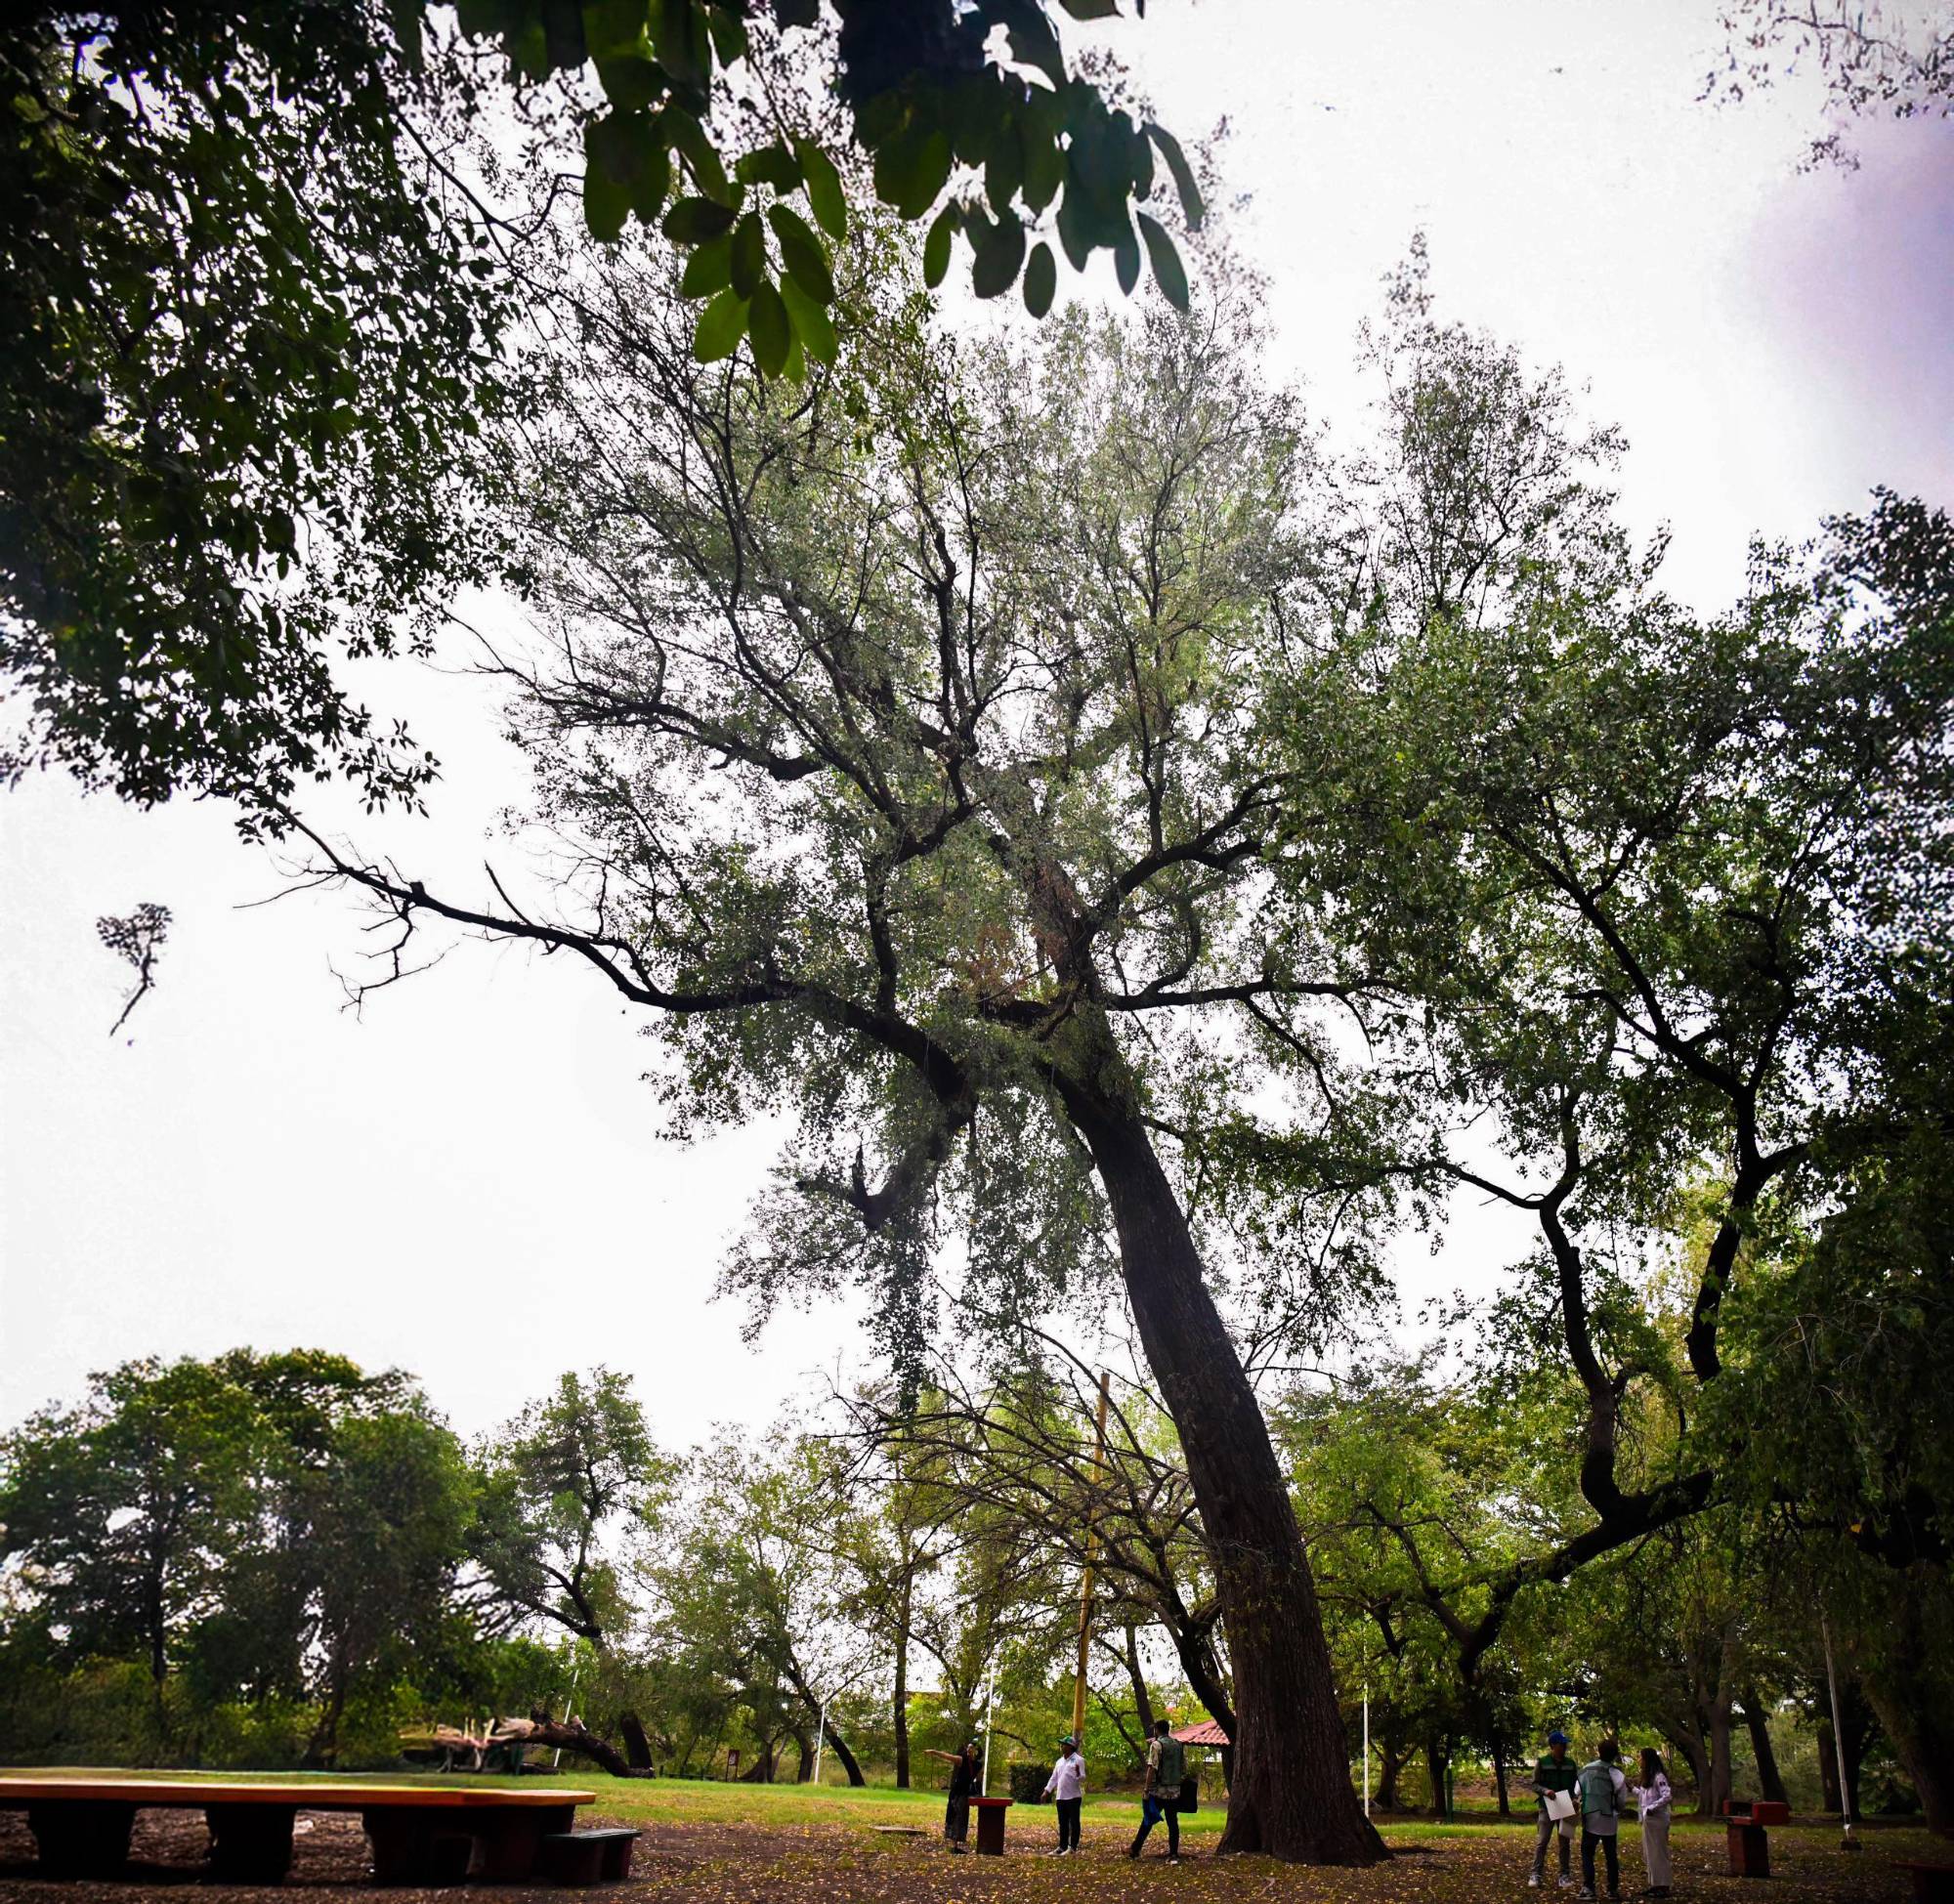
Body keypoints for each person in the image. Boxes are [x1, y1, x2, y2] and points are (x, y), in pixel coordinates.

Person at [1127, 1718, 1185, 1863]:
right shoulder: (1179, 1745)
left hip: (1159, 1791)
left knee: (1148, 1819)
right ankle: (1173, 1854)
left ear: (1157, 1730)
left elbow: (1152, 1768)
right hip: (1175, 1791)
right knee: (1173, 1822)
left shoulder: (1156, 1744)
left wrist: (1146, 1789)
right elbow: (1184, 1767)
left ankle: (1135, 1849)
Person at [1578, 1739, 1629, 1901]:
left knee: (1587, 1852)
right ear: (1615, 1755)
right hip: (1609, 1819)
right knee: (1610, 1854)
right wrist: (1618, 1810)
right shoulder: (1617, 1773)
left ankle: (1589, 1887)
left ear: (1599, 1751)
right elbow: (1621, 1799)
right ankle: (1612, 1889)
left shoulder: (1586, 1769)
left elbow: (1577, 1791)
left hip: (1590, 1816)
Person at [1531, 1729, 1579, 1888]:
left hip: (1565, 1806)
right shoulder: (1542, 1762)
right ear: (1552, 1745)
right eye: (1561, 1744)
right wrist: (1546, 1791)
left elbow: (1576, 1787)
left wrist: (1575, 1800)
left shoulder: (1571, 1764)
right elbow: (1534, 1784)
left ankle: (1564, 1875)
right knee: (1542, 1842)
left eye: (1565, 1744)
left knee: (1565, 1843)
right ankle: (1536, 1874)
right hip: (1547, 1806)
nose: (1564, 1747)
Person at [1633, 1749, 1673, 1898]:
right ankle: (1655, 1884)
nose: (1639, 1760)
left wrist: (1652, 1808)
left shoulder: (1659, 1776)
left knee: (1659, 1853)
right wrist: (1633, 1789)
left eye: (1640, 1758)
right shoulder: (1648, 1778)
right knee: (1650, 1854)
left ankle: (1663, 1885)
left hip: (1657, 1820)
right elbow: (1645, 1796)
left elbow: (1667, 1795)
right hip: (1648, 1821)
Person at [927, 1743, 981, 1852]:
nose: (969, 1749)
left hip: (965, 1794)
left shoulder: (978, 1765)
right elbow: (947, 1756)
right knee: (954, 1815)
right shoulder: (961, 1760)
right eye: (968, 1747)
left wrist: (977, 1793)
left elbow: (978, 1780)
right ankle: (954, 1844)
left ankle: (957, 1843)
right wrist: (934, 1752)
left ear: (976, 1750)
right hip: (956, 1793)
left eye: (971, 1748)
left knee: (962, 1817)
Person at [1042, 1736, 1086, 1855]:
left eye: (1064, 1744)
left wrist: (1078, 1773)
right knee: (1063, 1823)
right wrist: (1047, 1791)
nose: (1062, 1746)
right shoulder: (1059, 1761)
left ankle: (1072, 1847)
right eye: (1061, 1744)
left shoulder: (1079, 1760)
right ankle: (1062, 1847)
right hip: (1061, 1796)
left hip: (1073, 1796)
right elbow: (1054, 1778)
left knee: (1074, 1822)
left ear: (1071, 1747)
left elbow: (1082, 1779)